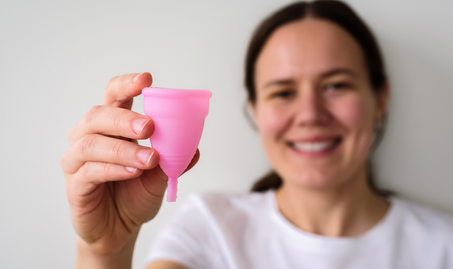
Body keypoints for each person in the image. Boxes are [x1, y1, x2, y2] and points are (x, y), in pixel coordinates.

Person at [60, 1, 453, 268]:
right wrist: (104, 253)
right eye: (283, 92)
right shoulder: (210, 230)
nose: (310, 114)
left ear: (380, 98)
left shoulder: (441, 247)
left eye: (336, 85)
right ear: (255, 111)